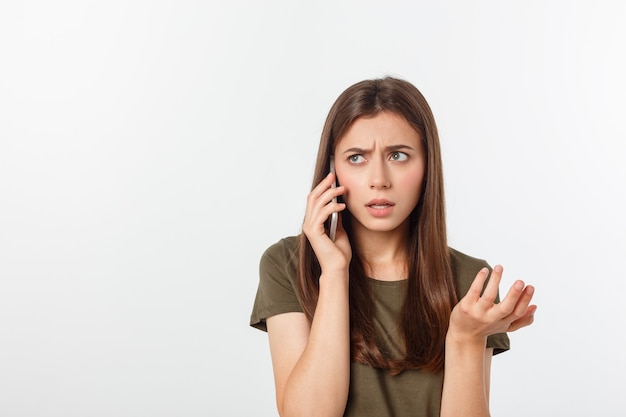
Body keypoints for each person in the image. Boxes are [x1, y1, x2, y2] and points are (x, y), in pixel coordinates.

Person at [250, 76, 536, 417]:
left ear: (428, 165)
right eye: (356, 158)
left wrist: (466, 339)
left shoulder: (470, 280)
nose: (379, 179)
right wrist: (335, 273)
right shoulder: (288, 264)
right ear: (332, 170)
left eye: (398, 155)